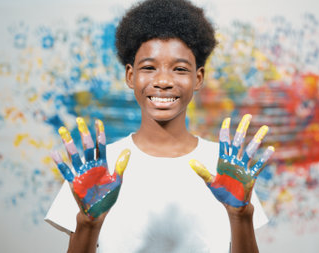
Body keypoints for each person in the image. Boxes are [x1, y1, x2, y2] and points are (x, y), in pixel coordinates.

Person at [45, 0, 274, 252]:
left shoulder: (227, 167)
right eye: (149, 68)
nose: (163, 81)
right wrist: (88, 224)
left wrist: (241, 216)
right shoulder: (96, 170)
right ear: (131, 76)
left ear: (198, 78)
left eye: (179, 69)